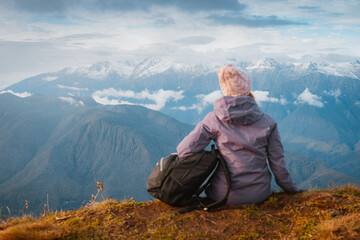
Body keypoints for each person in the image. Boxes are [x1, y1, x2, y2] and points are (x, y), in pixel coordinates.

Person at [176, 64, 299, 205]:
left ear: (224, 89)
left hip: (223, 194)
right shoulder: (268, 122)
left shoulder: (213, 120)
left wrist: (211, 158)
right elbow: (278, 166)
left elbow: (184, 150)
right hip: (259, 194)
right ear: (247, 88)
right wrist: (292, 190)